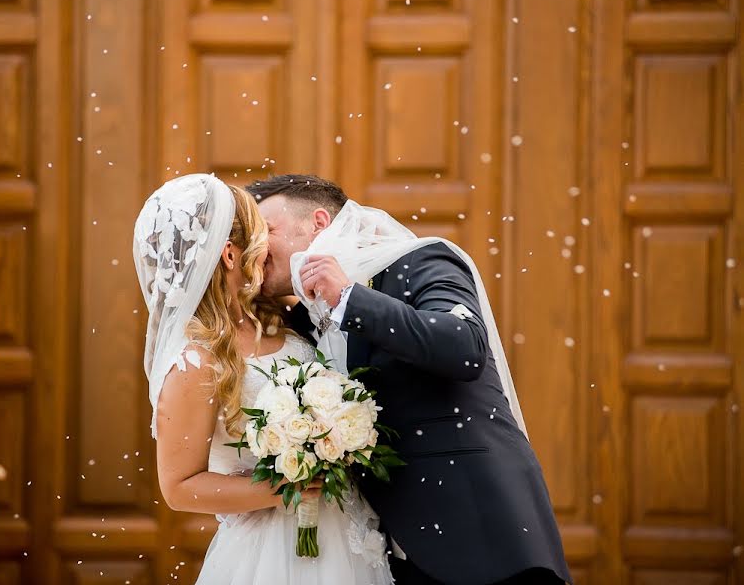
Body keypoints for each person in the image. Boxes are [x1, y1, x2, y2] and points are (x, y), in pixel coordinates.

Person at [248, 173, 572, 585]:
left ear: (318, 223)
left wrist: (349, 298)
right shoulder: (303, 320)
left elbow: (465, 346)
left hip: (480, 534)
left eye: (266, 230)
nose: (256, 246)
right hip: (393, 552)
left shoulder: (419, 260)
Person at [132, 174, 394, 585]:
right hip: (272, 550)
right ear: (230, 255)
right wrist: (284, 487)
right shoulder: (195, 358)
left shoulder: (278, 318)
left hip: (349, 531)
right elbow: (179, 486)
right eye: (261, 233)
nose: (269, 247)